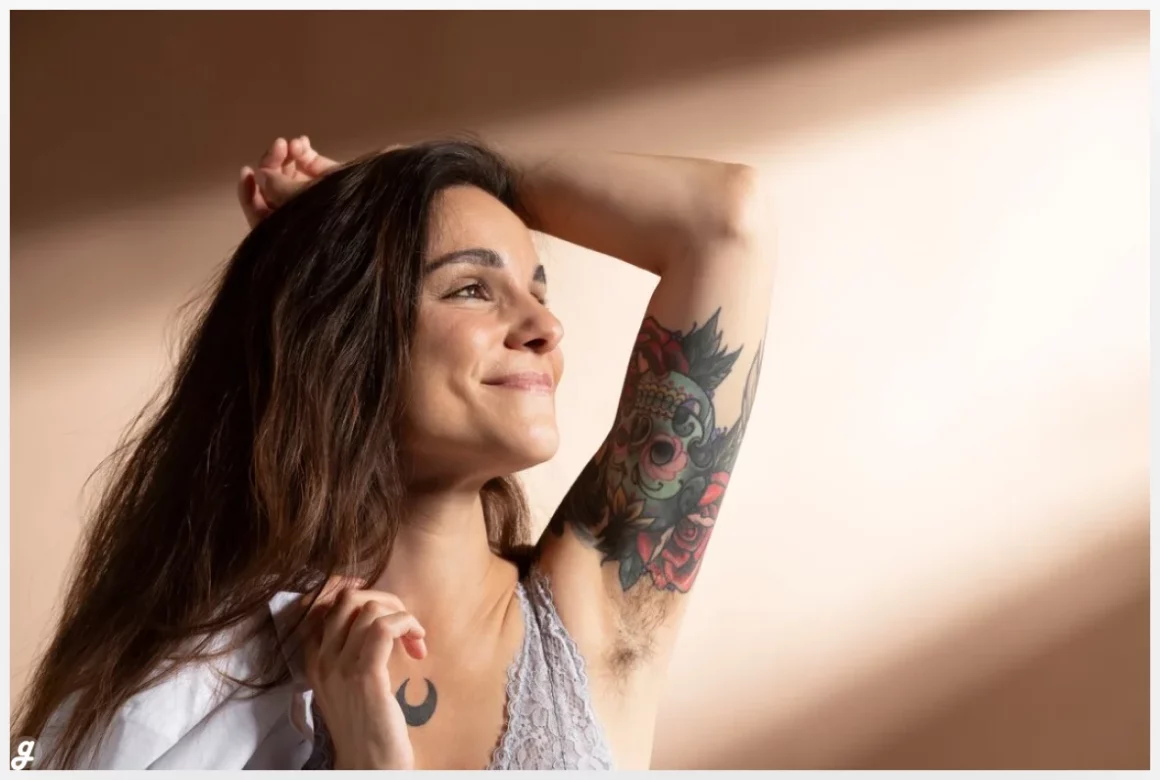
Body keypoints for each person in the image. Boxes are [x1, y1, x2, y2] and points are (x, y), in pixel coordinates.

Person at [14, 135, 773, 769]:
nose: (544, 326)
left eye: (540, 291)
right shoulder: (198, 690)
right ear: (346, 350)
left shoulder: (595, 615)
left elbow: (725, 219)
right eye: (473, 288)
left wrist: (388, 180)